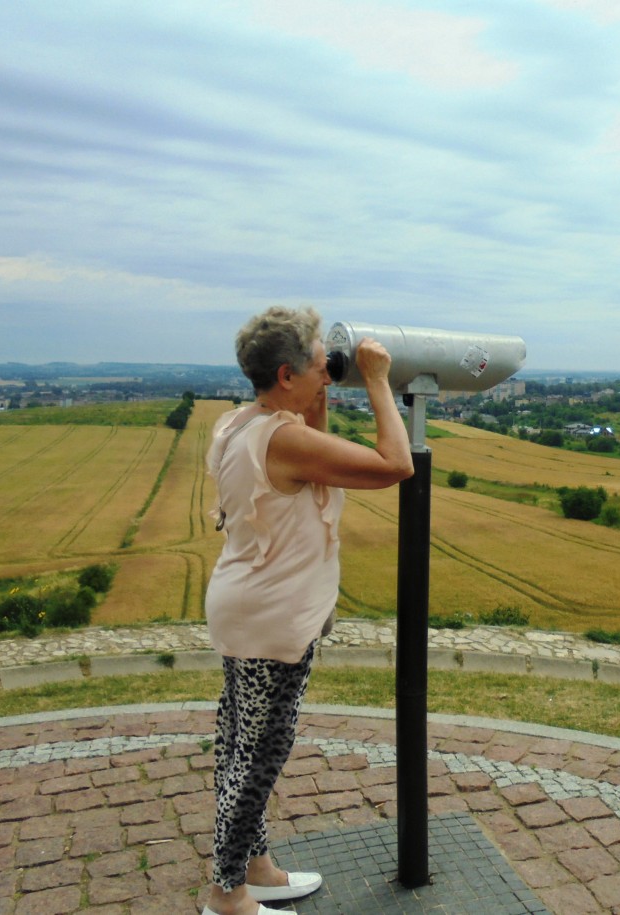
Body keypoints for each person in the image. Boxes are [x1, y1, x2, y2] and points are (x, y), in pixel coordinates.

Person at [200, 306, 412, 915]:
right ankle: (226, 894)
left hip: (248, 607)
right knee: (259, 755)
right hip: (271, 620)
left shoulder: (242, 423)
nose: (330, 370)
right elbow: (394, 465)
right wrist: (375, 379)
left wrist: (325, 379)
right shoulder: (283, 439)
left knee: (240, 744)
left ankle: (257, 868)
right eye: (321, 363)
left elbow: (310, 427)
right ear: (287, 374)